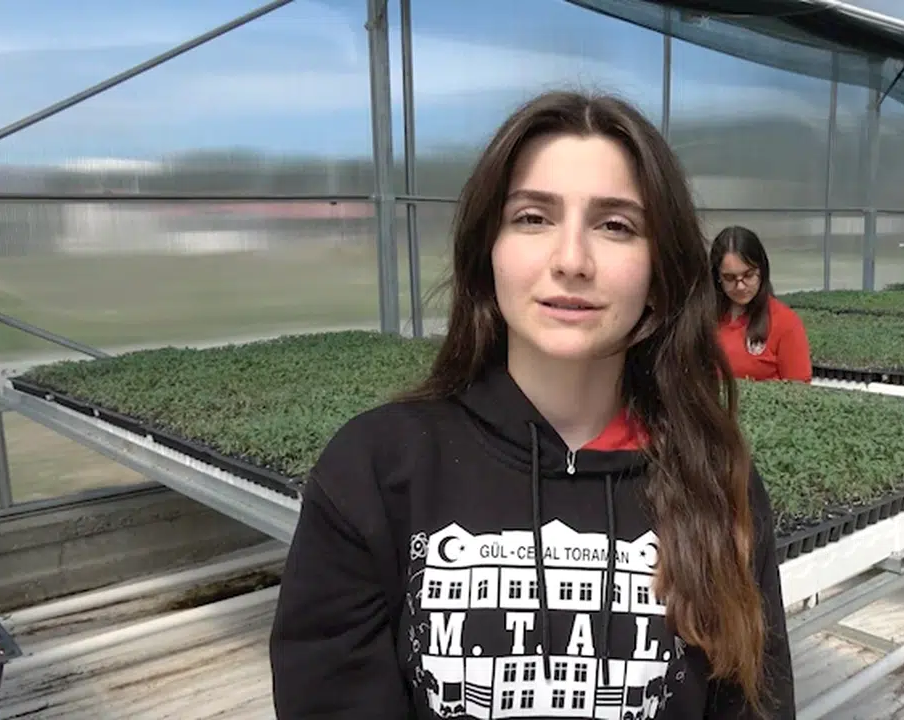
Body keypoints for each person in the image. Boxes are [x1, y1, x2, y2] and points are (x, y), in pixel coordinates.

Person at [269, 91, 796, 720]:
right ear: (487, 252)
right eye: (532, 217)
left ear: (660, 275)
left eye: (616, 225)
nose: (571, 260)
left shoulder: (713, 477)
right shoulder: (376, 469)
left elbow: (755, 703)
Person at [711, 226, 812, 383]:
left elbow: (799, 390)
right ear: (717, 277)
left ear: (762, 271)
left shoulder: (785, 323)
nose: (740, 286)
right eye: (729, 278)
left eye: (748, 275)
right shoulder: (703, 318)